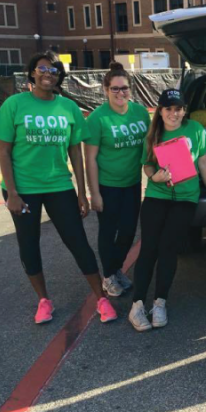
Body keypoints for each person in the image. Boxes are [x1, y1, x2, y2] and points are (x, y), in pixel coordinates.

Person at [0, 52, 117, 324]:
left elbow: (76, 151)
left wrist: (81, 192)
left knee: (77, 241)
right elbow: (3, 151)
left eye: (53, 70)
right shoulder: (14, 105)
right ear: (31, 74)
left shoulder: (68, 107)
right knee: (29, 244)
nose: (48, 73)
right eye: (42, 68)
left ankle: (101, 298)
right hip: (23, 188)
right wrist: (13, 194)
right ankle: (43, 300)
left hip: (58, 185)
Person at [128, 89, 206, 332]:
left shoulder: (194, 129)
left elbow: (203, 160)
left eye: (179, 108)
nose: (174, 113)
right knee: (149, 248)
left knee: (168, 247)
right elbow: (147, 165)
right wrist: (155, 177)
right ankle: (137, 304)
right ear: (160, 111)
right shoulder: (153, 134)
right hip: (156, 195)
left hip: (185, 198)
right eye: (169, 108)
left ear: (184, 110)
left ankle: (160, 302)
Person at [85, 62, 150, 296]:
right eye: (115, 89)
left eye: (124, 88)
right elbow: (89, 158)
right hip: (107, 185)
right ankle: (109, 276)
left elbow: (153, 145)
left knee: (129, 231)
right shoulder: (97, 118)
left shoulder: (140, 112)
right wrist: (95, 193)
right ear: (106, 89)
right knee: (108, 231)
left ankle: (116, 269)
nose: (120, 93)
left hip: (132, 183)